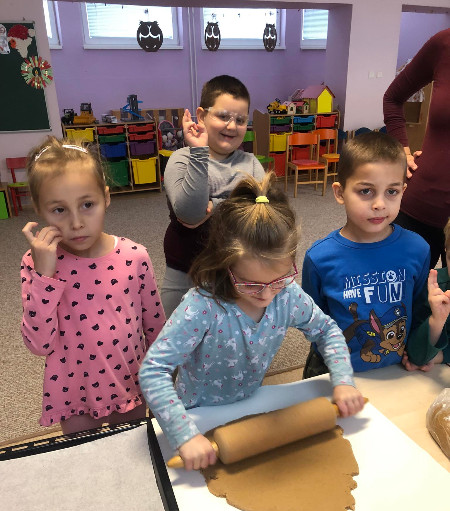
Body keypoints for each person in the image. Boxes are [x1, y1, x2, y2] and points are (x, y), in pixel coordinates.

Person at [140, 172, 365, 471]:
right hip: (197, 412)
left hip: (250, 403)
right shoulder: (202, 306)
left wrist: (344, 380)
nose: (266, 294)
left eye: (279, 279)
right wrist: (184, 434)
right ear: (225, 264)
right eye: (250, 284)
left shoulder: (287, 295)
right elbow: (153, 369)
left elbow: (326, 330)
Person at [21, 137, 165, 434]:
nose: (76, 223)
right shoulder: (36, 263)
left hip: (129, 385)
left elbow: (155, 328)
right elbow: (38, 344)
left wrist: (161, 381)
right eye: (59, 210)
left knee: (135, 450)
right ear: (38, 208)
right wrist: (45, 276)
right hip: (73, 394)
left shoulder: (134, 256)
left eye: (87, 205)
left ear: (106, 197)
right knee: (86, 457)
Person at [302, 132, 430, 378]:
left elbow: (420, 310)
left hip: (396, 370)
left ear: (403, 191)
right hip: (333, 372)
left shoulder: (417, 248)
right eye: (366, 191)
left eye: (391, 192)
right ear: (340, 193)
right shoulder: (319, 258)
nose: (380, 204)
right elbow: (312, 321)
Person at [161, 74, 265, 316]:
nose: (232, 126)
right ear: (201, 116)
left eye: (240, 120)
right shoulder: (181, 159)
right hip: (185, 272)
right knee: (173, 334)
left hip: (235, 273)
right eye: (223, 116)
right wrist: (199, 153)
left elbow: (264, 212)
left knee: (230, 335)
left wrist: (217, 205)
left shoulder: (251, 164)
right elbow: (191, 213)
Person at [383, 28, 450, 269]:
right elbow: (392, 98)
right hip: (421, 209)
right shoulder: (443, 44)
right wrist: (402, 152)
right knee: (403, 291)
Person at [403, 217, 450, 371]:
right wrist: (437, 320)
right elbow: (417, 357)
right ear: (446, 251)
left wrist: (441, 355)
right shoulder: (435, 291)